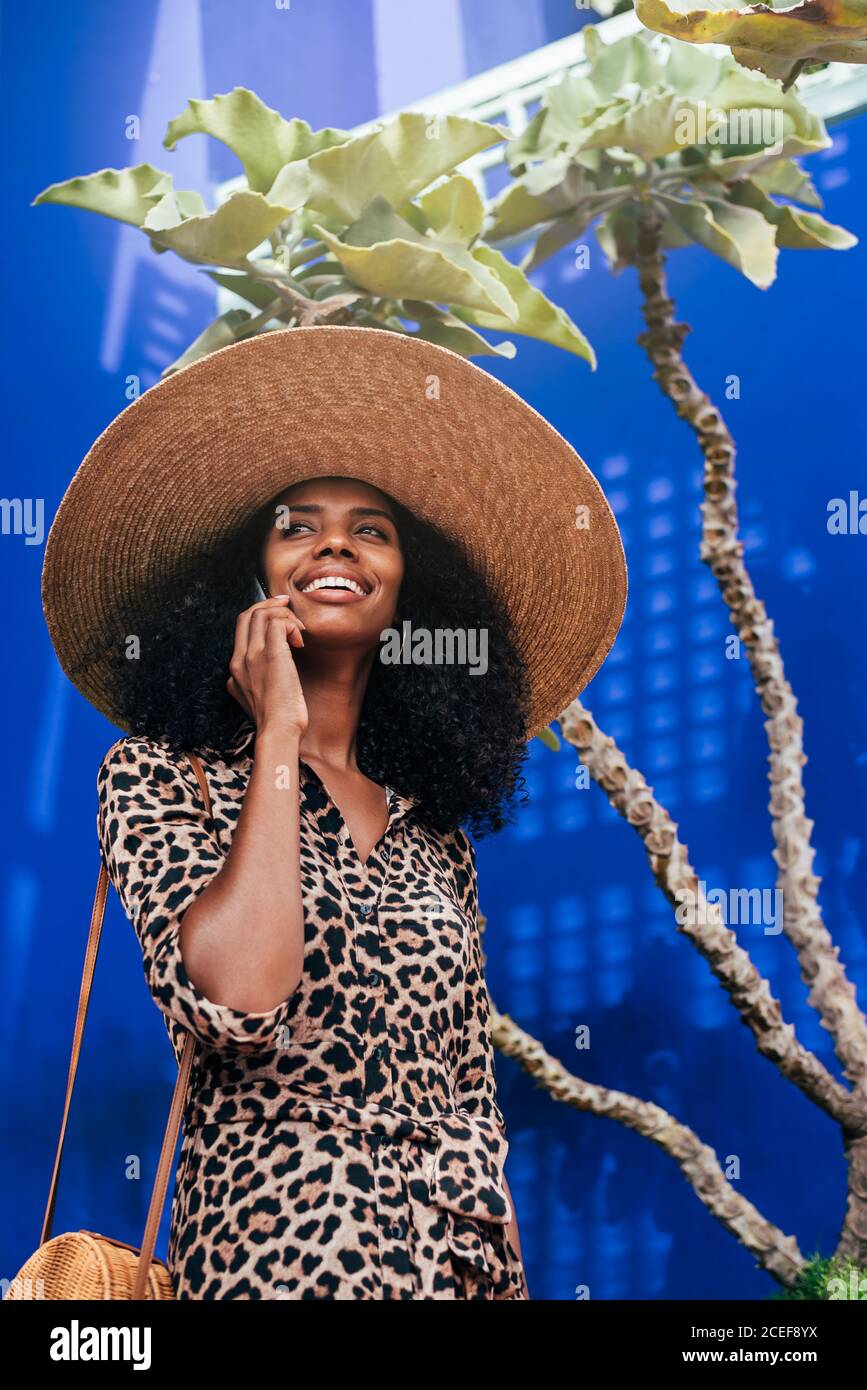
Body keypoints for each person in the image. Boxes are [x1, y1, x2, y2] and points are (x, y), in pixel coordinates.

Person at [41, 325, 627, 1299]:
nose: (336, 545)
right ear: (248, 576)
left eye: (373, 529)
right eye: (296, 523)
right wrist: (276, 734)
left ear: (410, 589)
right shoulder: (160, 776)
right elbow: (237, 1004)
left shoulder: (434, 837)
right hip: (272, 1267)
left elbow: (469, 1112)